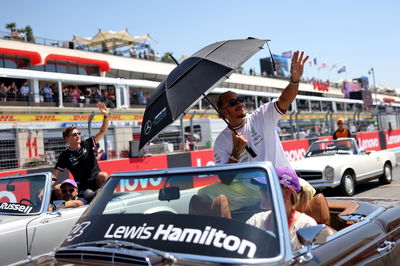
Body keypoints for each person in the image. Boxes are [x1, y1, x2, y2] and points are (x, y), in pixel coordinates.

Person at [214, 51, 309, 166]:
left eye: (240, 99)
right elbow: (225, 179)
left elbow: (284, 100)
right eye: (233, 102)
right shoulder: (221, 141)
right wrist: (236, 152)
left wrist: (294, 80)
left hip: (280, 180)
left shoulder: (261, 115)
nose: (239, 104)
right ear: (224, 111)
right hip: (249, 184)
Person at [246, 166, 317, 251]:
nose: (260, 191)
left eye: (264, 188)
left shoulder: (307, 225)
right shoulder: (255, 221)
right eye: (260, 187)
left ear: (286, 193)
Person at [53, 102, 110, 199]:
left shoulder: (87, 143)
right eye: (74, 134)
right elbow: (55, 174)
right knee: (58, 188)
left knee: (103, 175)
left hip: (95, 180)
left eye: (78, 133)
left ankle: (106, 198)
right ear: (67, 138)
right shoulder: (64, 155)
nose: (78, 135)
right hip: (79, 184)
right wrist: (44, 189)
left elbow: (103, 131)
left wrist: (106, 116)